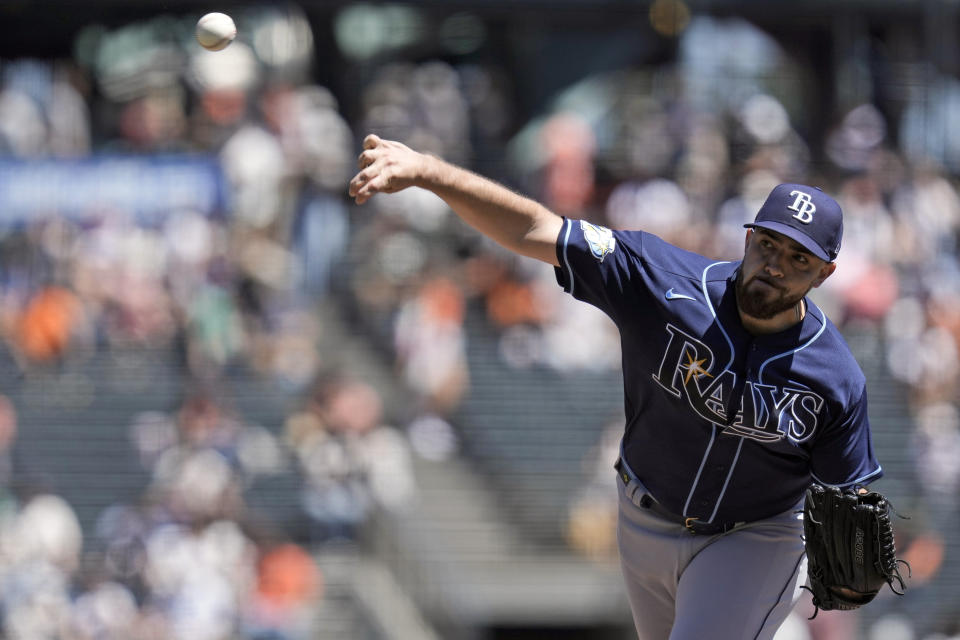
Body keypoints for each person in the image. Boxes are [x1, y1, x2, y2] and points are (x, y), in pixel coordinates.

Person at [348, 134, 882, 640]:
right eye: (769, 244)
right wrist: (431, 173)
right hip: (642, 517)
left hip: (754, 537)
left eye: (798, 259)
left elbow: (847, 492)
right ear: (748, 238)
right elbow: (537, 230)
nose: (776, 265)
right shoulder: (662, 281)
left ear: (825, 274)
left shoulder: (834, 379)